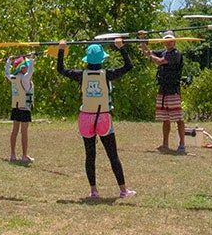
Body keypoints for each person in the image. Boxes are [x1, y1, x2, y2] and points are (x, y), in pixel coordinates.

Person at [56, 37, 136, 199]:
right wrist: (121, 48)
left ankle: (93, 190)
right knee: (112, 155)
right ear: (101, 59)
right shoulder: (106, 74)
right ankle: (123, 190)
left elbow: (61, 69)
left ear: (87, 60)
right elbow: (128, 66)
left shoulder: (81, 75)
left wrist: (61, 50)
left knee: (90, 155)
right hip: (103, 118)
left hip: (86, 118)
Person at [139, 30, 186, 152]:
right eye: (166, 40)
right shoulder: (163, 51)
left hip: (173, 90)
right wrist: (142, 38)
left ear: (174, 41)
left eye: (170, 40)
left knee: (178, 118)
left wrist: (150, 55)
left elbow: (160, 62)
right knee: (165, 118)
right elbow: (146, 52)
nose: (168, 42)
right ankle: (165, 144)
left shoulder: (176, 53)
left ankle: (182, 143)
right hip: (163, 89)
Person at [5, 53, 35, 163]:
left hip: (16, 108)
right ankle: (24, 155)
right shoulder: (25, 78)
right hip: (24, 108)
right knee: (24, 132)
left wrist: (8, 62)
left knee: (14, 131)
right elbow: (31, 71)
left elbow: (6, 72)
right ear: (22, 67)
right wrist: (32, 59)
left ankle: (12, 154)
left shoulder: (13, 77)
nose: (27, 67)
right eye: (26, 65)